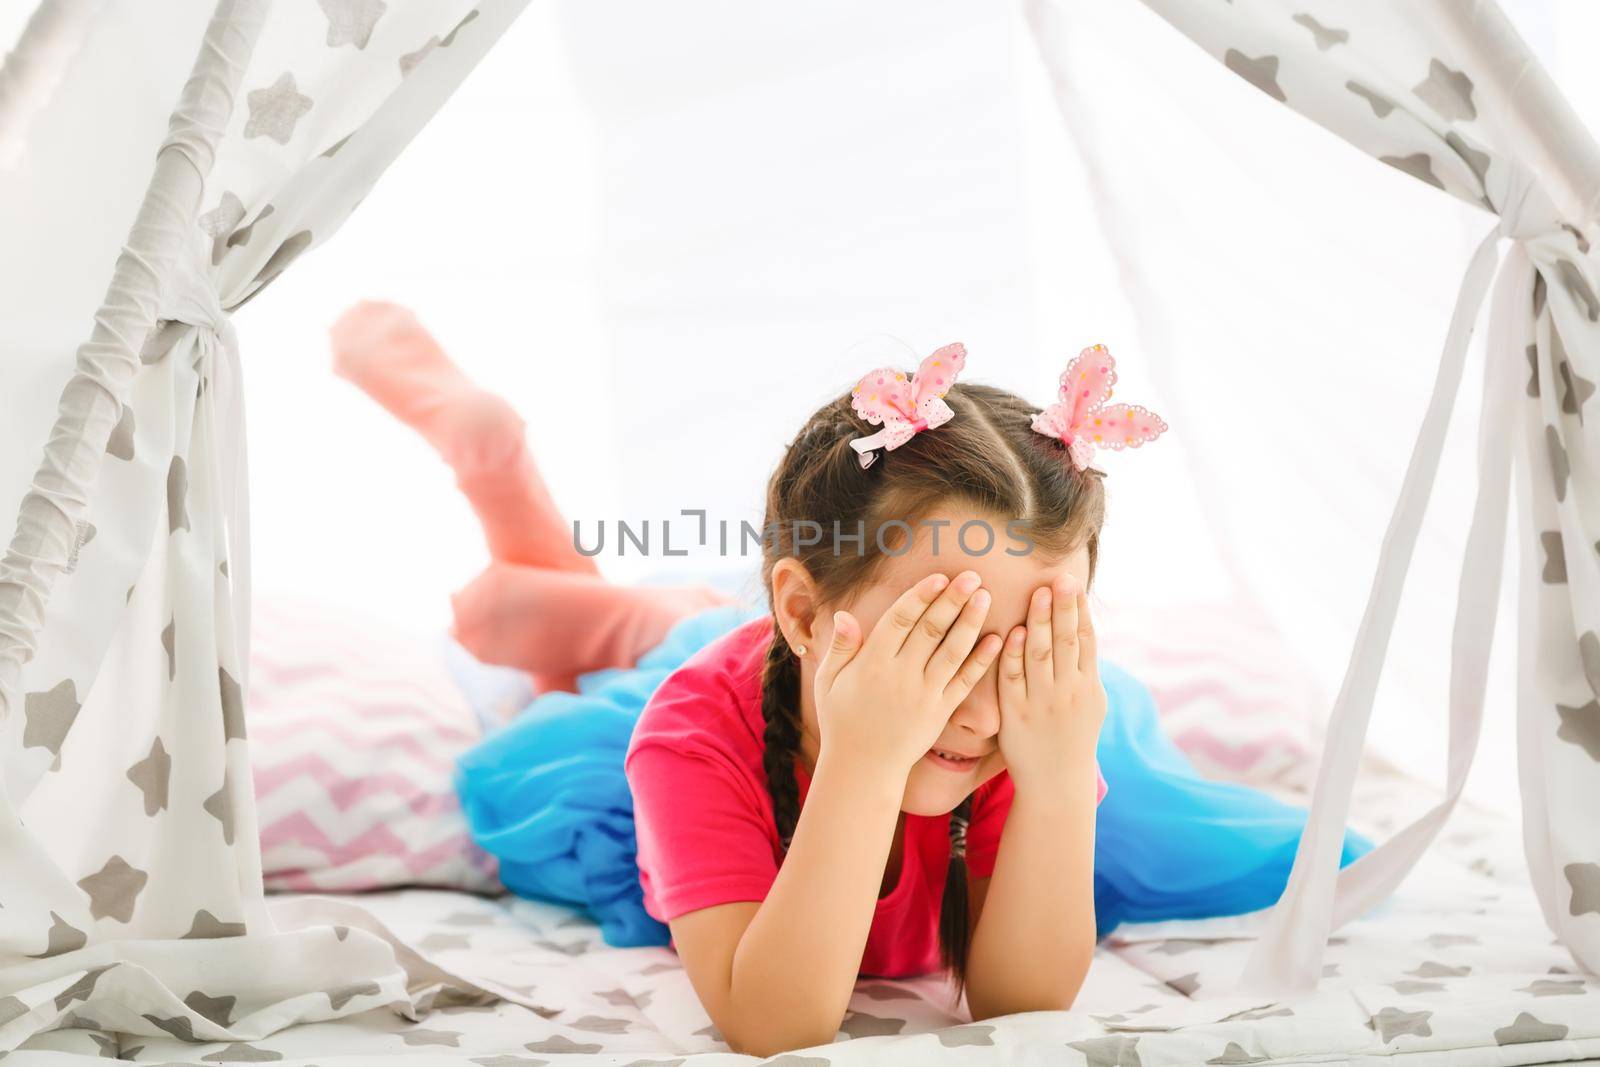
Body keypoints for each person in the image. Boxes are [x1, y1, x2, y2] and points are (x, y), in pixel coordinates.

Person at [330, 302, 1373, 1057]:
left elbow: (1020, 997)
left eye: (1021, 644)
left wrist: (1058, 778)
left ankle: (619, 604)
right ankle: (512, 490)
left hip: (798, 644)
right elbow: (773, 1019)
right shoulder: (691, 737)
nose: (978, 703)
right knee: (573, 687)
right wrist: (868, 759)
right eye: (938, 640)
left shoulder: (1020, 726)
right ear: (802, 612)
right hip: (743, 695)